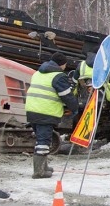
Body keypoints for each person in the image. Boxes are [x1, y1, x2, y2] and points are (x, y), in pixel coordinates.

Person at [24, 51, 80, 179]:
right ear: (62, 65)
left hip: (32, 110)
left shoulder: (38, 73)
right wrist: (75, 108)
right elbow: (66, 95)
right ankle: (39, 172)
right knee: (44, 141)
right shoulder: (58, 76)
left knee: (40, 139)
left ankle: (43, 166)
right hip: (45, 112)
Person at [76, 51, 110, 124]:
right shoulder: (106, 65)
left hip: (84, 95)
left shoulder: (81, 64)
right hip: (103, 94)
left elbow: (74, 80)